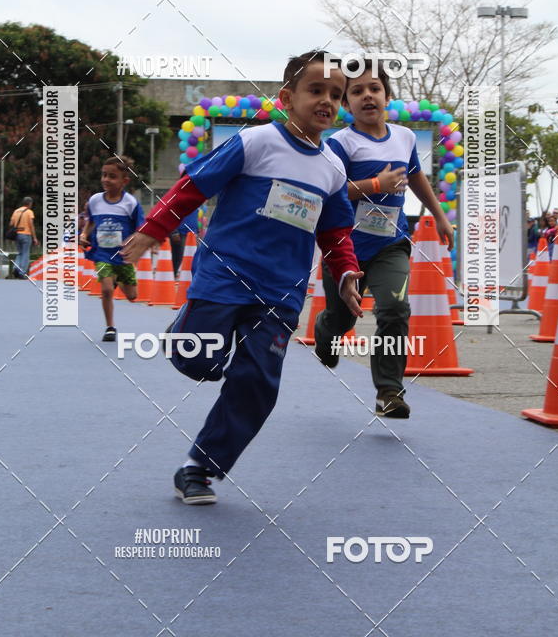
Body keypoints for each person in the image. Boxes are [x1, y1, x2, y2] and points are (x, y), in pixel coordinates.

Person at [123, 51, 363, 505]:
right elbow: (193, 187)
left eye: (337, 95)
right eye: (317, 91)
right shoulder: (255, 142)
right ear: (288, 97)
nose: (328, 101)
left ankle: (200, 468)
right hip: (225, 276)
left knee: (256, 382)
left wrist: (346, 271)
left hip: (281, 293)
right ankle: (183, 334)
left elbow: (336, 230)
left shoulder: (332, 169)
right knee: (199, 361)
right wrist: (152, 231)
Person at [314, 58, 454, 419]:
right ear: (346, 105)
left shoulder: (405, 137)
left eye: (374, 88)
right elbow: (332, 193)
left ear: (387, 95)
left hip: (391, 244)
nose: (367, 96)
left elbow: (417, 177)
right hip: (345, 248)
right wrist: (376, 185)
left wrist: (439, 217)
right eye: (356, 91)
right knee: (342, 319)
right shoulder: (340, 144)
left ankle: (389, 391)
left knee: (394, 309)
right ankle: (326, 332)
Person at [79, 156, 145, 341]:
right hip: (102, 254)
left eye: (112, 176)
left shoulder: (130, 203)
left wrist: (131, 240)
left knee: (132, 296)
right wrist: (84, 236)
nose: (106, 180)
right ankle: (110, 327)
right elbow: (90, 222)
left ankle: (118, 280)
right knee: (107, 289)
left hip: (123, 256)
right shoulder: (95, 201)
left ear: (124, 181)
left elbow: (141, 228)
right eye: (104, 175)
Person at [9, 197, 38, 278]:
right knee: (25, 253)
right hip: (26, 234)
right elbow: (31, 225)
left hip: (17, 235)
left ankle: (16, 267)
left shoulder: (16, 211)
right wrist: (34, 237)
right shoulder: (29, 212)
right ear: (29, 203)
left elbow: (11, 223)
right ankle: (22, 272)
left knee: (20, 253)